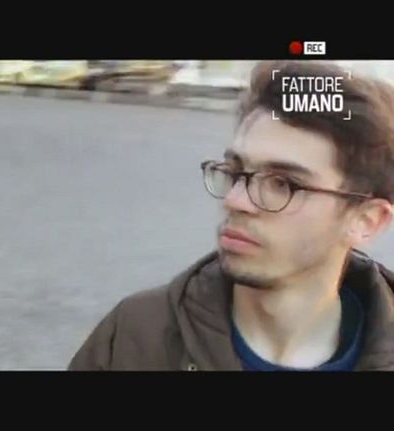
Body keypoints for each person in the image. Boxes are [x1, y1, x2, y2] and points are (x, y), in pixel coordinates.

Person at [68, 61, 394, 371]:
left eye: (283, 184)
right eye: (236, 172)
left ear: (366, 221)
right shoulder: (135, 339)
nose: (235, 201)